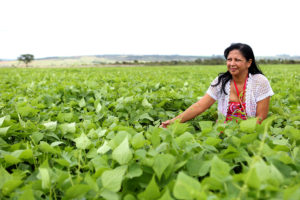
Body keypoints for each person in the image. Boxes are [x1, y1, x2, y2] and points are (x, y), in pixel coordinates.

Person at [161, 43, 274, 128]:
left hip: (249, 132)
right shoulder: (221, 81)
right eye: (229, 60)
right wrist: (172, 122)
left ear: (249, 63)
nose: (232, 64)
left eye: (237, 60)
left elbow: (260, 118)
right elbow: (200, 106)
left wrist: (242, 133)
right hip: (222, 131)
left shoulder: (260, 82)